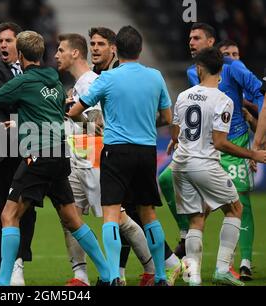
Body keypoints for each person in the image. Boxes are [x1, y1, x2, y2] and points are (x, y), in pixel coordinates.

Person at [0, 30, 111, 286]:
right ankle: (108, 275)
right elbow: (55, 109)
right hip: (59, 155)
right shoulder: (53, 78)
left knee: (8, 215)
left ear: (20, 54)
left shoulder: (23, 82)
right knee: (72, 219)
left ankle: (3, 281)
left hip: (38, 156)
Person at [158, 23, 264, 280]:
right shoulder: (223, 100)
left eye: (196, 38)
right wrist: (254, 153)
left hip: (182, 161)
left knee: (197, 219)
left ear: (200, 68)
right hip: (206, 162)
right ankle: (221, 269)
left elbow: (174, 132)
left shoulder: (183, 95)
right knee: (236, 208)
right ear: (221, 69)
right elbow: (219, 142)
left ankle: (192, 277)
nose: (191, 42)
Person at [69, 25, 172, 286]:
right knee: (148, 213)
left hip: (116, 151)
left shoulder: (107, 79)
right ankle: (160, 275)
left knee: (111, 213)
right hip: (147, 151)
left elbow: (74, 111)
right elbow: (168, 118)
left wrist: (90, 121)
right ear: (140, 48)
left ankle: (114, 276)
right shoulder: (156, 77)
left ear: (116, 50)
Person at [0, 22, 36, 286]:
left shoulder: (31, 65)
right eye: (0, 40)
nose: (2, 45)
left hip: (25, 148)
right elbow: (4, 100)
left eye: (8, 40)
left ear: (20, 43)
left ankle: (17, 264)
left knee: (25, 209)